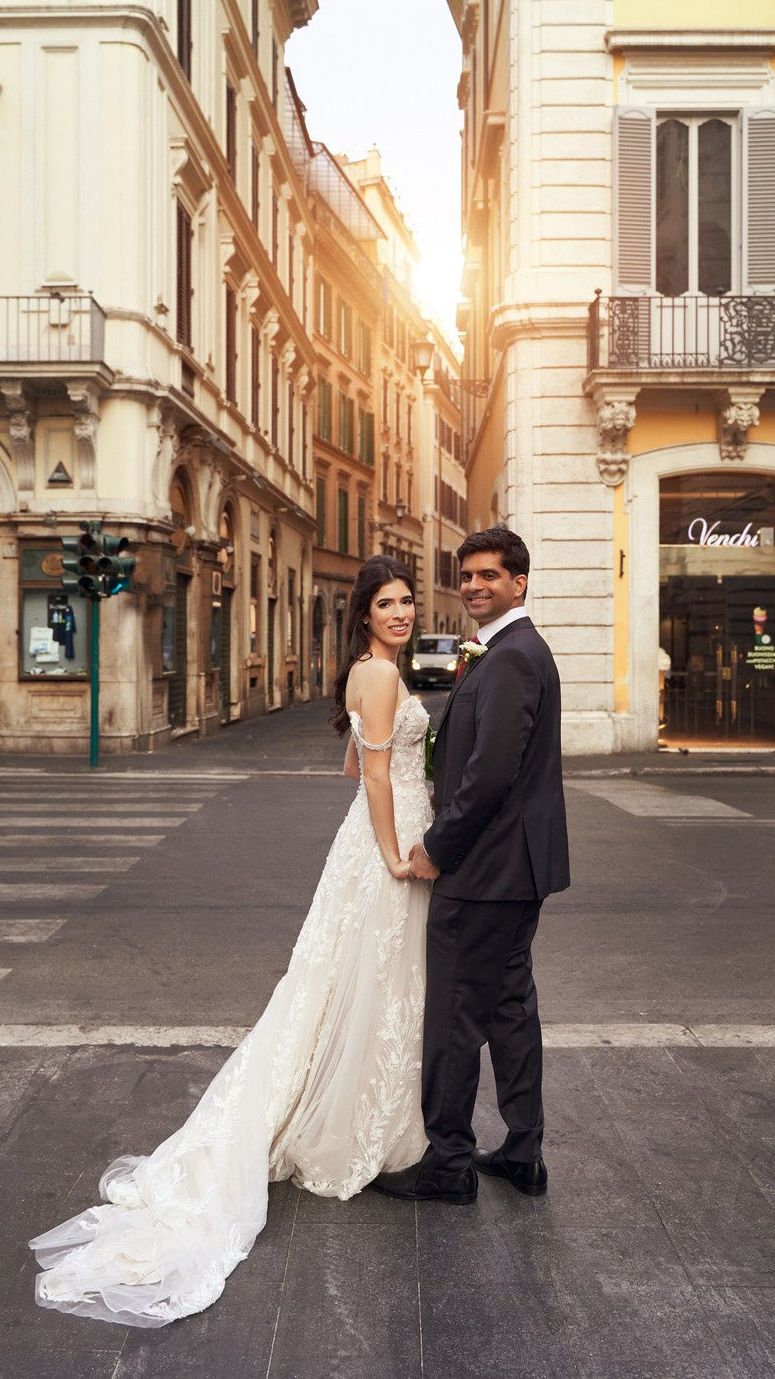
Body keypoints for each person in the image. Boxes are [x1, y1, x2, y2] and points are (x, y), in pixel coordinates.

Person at [30, 555, 433, 1328]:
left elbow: (355, 758)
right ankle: (354, 1127)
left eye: (408, 601)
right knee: (371, 980)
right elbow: (375, 779)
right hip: (383, 841)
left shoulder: (365, 674)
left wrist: (408, 780)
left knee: (342, 982)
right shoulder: (382, 677)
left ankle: (339, 1110)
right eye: (388, 603)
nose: (403, 612)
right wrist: (391, 849)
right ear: (364, 613)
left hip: (371, 833)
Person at [370, 526, 570, 1206]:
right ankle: (523, 1151)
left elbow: (489, 777)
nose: (476, 586)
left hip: (486, 871)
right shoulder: (511, 649)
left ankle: (448, 1163)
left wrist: (435, 848)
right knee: (509, 1007)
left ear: (519, 582)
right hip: (517, 869)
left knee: (455, 1013)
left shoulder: (512, 657)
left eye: (490, 575)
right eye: (468, 575)